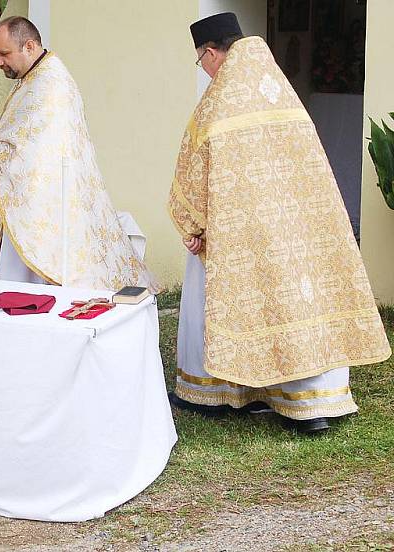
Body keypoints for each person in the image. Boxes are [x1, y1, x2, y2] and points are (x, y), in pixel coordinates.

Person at [168, 13, 391, 432]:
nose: (205, 70)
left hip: (242, 230)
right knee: (303, 298)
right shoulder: (280, 91)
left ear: (211, 53)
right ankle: (313, 401)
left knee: (238, 299)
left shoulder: (220, 100)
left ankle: (216, 392)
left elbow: (194, 167)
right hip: (303, 226)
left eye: (201, 62)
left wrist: (193, 225)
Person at [0, 16, 158, 292]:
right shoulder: (33, 77)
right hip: (28, 203)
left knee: (31, 292)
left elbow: (36, 151)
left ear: (29, 46)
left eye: (4, 54)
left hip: (44, 209)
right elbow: (22, 134)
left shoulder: (50, 84)